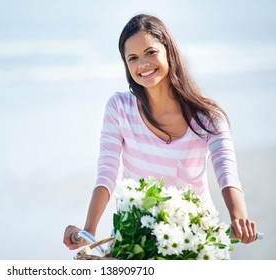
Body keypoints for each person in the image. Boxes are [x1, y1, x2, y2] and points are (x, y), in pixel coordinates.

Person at [63, 14, 257, 251]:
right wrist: (89, 231)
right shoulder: (119, 108)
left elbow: (226, 171)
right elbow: (106, 173)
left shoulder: (207, 116)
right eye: (132, 58)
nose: (142, 64)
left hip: (191, 236)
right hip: (134, 236)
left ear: (168, 51)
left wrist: (239, 216)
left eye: (150, 52)